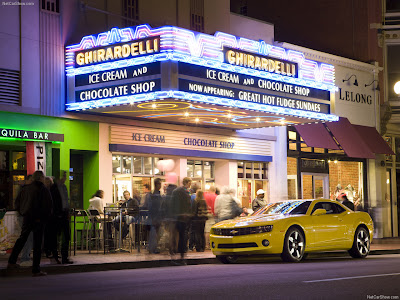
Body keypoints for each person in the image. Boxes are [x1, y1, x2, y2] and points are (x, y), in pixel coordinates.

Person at [8, 170, 53, 276]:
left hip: (27, 218)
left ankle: (12, 261)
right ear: (41, 178)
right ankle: (36, 269)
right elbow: (48, 205)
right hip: (38, 219)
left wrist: (22, 213)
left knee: (22, 239)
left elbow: (18, 202)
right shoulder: (43, 189)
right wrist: (45, 218)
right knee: (37, 244)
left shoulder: (26, 189)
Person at [50, 171, 73, 264]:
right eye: (63, 176)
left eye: (65, 176)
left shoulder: (64, 187)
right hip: (56, 215)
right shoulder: (54, 188)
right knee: (56, 236)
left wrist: (68, 210)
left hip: (64, 214)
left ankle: (64, 257)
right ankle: (55, 256)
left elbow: (65, 200)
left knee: (66, 236)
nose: (65, 178)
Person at [170, 177, 193, 264]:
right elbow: (186, 204)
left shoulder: (178, 191)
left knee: (176, 236)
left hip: (178, 216)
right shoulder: (183, 192)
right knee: (182, 236)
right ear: (187, 182)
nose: (190, 184)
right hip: (181, 217)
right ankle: (181, 256)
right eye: (190, 182)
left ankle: (177, 255)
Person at [18, 175, 34, 267]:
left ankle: (25, 256)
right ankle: (25, 258)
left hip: (24, 215)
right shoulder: (26, 190)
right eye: (31, 180)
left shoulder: (23, 189)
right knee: (28, 237)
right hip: (25, 216)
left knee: (26, 237)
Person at [147, 178, 164, 254]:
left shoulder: (154, 194)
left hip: (156, 216)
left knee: (156, 233)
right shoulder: (154, 195)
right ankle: (153, 248)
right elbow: (153, 207)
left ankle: (153, 247)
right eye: (160, 184)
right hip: (155, 216)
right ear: (157, 184)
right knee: (154, 233)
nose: (160, 186)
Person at [188, 182, 200, 251]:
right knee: (198, 231)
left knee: (192, 231)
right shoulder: (200, 197)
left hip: (192, 216)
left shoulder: (191, 197)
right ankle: (198, 245)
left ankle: (191, 246)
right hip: (199, 217)